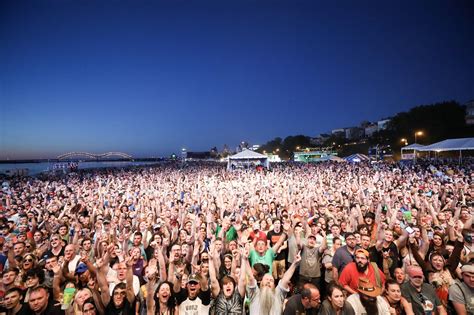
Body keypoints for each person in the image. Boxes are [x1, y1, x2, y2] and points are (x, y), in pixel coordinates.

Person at [246, 250, 301, 315]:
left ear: (274, 286)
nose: (268, 281)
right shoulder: (254, 294)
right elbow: (250, 277)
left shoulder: (278, 295)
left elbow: (285, 280)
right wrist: (245, 259)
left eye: (271, 280)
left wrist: (294, 263)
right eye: (266, 279)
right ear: (261, 283)